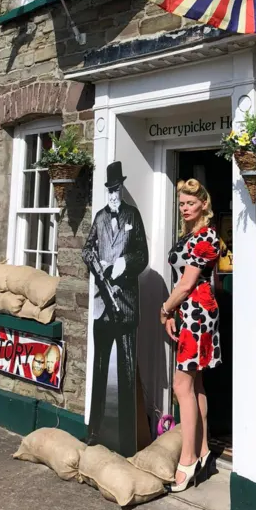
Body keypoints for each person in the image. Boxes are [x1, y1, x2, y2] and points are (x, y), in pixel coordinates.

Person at [82, 161, 148, 457]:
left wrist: (122, 264)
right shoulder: (98, 219)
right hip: (101, 307)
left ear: (121, 189)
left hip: (126, 305)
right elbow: (86, 249)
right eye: (109, 190)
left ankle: (126, 440)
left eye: (116, 189)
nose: (112, 195)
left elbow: (143, 256)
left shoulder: (133, 216)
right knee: (99, 368)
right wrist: (96, 264)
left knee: (126, 369)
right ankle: (95, 431)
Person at [161, 179, 221, 492]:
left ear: (204, 205)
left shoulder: (206, 236)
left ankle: (187, 461)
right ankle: (204, 452)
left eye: (191, 203)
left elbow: (185, 285)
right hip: (188, 313)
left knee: (181, 384)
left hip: (197, 314)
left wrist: (164, 310)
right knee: (195, 384)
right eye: (182, 203)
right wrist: (173, 312)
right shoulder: (191, 235)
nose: (185, 208)